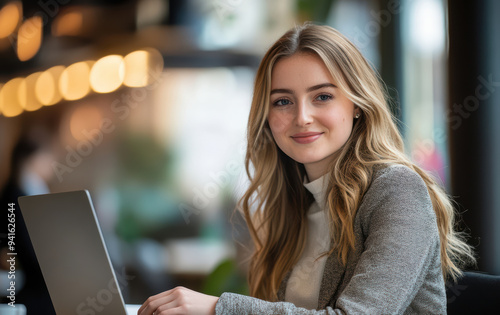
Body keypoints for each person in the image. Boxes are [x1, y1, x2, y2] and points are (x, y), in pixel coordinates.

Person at [138, 23, 476, 315]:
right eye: (283, 101)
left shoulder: (397, 190)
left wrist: (217, 308)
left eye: (322, 96)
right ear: (267, 119)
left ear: (357, 104)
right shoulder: (295, 202)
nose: (301, 117)